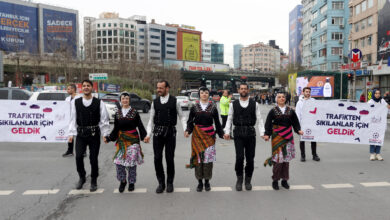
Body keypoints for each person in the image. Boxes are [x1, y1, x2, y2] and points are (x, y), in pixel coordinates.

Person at [144, 80, 186, 193]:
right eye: (157, 87)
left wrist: (185, 129)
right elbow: (151, 120)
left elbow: (182, 117)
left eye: (161, 88)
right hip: (157, 133)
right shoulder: (154, 102)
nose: (158, 90)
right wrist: (148, 134)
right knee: (157, 158)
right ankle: (161, 183)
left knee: (169, 158)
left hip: (170, 133)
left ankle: (170, 183)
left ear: (167, 88)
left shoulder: (175, 101)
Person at [68, 79, 110, 192]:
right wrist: (71, 134)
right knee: (78, 156)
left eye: (88, 86)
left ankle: (94, 179)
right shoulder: (75, 102)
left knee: (93, 158)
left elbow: (104, 119)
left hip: (94, 134)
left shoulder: (99, 102)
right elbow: (72, 119)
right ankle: (82, 177)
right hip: (81, 134)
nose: (86, 87)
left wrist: (105, 134)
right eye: (84, 86)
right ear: (82, 88)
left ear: (92, 88)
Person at [224, 83, 265, 191]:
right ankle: (239, 179)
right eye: (241, 89)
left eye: (245, 89)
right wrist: (227, 132)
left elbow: (260, 119)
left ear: (248, 90)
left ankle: (248, 180)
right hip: (238, 133)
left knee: (250, 159)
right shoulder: (234, 104)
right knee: (239, 157)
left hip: (250, 133)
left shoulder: (254, 104)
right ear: (238, 90)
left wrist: (262, 133)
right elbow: (229, 118)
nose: (243, 90)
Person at [104, 92, 146, 193]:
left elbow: (140, 125)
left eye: (127, 98)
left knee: (131, 163)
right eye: (123, 99)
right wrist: (109, 138)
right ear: (120, 100)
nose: (125, 100)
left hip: (133, 140)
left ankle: (131, 182)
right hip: (121, 140)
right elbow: (116, 128)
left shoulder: (135, 112)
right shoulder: (117, 113)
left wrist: (144, 137)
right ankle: (123, 181)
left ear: (129, 100)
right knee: (119, 162)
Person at [185, 87, 224, 192]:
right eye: (202, 93)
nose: (204, 94)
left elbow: (217, 122)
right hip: (197, 136)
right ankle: (199, 182)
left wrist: (221, 133)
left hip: (209, 136)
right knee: (199, 159)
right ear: (199, 95)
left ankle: (207, 181)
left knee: (208, 159)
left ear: (209, 95)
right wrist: (188, 131)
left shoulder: (213, 108)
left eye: (206, 93)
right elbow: (190, 121)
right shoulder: (194, 107)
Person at [263, 92, 303, 190]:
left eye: (283, 97)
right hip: (277, 137)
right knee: (277, 160)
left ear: (285, 99)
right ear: (276, 99)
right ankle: (275, 180)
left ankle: (285, 180)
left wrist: (298, 130)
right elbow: (268, 123)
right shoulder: (273, 111)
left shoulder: (290, 111)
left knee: (286, 159)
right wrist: (267, 134)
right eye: (279, 97)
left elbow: (295, 122)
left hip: (288, 136)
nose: (281, 98)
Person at [295, 87, 320, 162]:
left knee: (313, 140)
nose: (308, 93)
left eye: (309, 92)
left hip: (311, 123)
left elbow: (317, 111)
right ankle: (303, 156)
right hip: (302, 124)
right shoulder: (300, 102)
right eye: (306, 92)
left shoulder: (314, 101)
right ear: (303, 92)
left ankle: (314, 155)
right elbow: (297, 114)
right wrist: (298, 127)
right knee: (302, 140)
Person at [367, 89, 390, 161]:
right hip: (372, 123)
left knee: (379, 138)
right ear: (373, 94)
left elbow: (387, 108)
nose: (377, 95)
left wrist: (388, 106)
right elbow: (367, 111)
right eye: (376, 93)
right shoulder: (370, 102)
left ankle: (378, 154)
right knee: (372, 138)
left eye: (379, 93)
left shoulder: (382, 101)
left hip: (380, 123)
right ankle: (372, 154)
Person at [63, 84, 80, 157]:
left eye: (69, 89)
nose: (67, 90)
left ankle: (83, 150)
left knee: (80, 135)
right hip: (69, 119)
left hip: (78, 119)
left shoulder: (80, 98)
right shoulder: (67, 99)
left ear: (73, 89)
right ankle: (70, 150)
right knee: (70, 135)